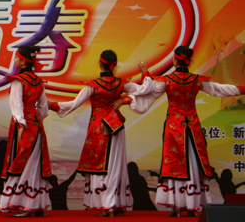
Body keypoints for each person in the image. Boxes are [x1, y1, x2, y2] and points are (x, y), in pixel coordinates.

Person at [127, 46, 245, 217]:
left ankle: (177, 206)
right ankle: (192, 205)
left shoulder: (167, 81)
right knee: (193, 164)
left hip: (174, 129)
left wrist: (144, 73)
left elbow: (147, 92)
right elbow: (220, 89)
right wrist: (243, 89)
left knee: (175, 166)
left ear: (175, 61)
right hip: (192, 129)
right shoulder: (196, 80)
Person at [49, 50, 148, 217]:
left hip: (99, 129)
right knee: (116, 164)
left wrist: (48, 105)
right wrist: (141, 76)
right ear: (114, 65)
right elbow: (144, 90)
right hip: (116, 127)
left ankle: (107, 205)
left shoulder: (93, 85)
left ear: (100, 64)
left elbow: (73, 104)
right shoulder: (121, 83)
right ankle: (118, 203)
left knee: (100, 165)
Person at [0, 45, 52, 217]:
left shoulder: (18, 81)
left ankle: (23, 204)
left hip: (23, 125)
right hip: (36, 124)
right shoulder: (38, 81)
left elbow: (16, 104)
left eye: (16, 57)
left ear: (23, 61)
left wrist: (21, 123)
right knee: (35, 163)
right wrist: (36, 119)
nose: (14, 60)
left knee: (21, 162)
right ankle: (38, 204)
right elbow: (43, 108)